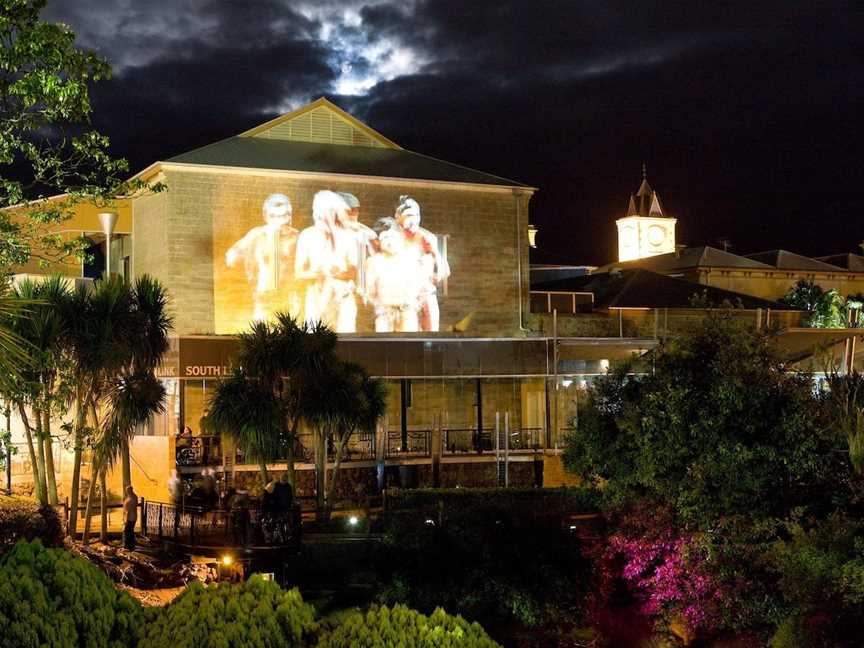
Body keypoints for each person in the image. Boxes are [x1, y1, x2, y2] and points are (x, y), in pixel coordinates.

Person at [226, 193, 299, 321]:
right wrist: (234, 255)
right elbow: (234, 252)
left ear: (289, 216)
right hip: (264, 294)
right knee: (262, 334)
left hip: (288, 295)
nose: (278, 220)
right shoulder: (257, 234)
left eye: (282, 216)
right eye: (273, 216)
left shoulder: (296, 236)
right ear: (266, 216)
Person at [295, 190, 359, 332]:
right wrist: (318, 273)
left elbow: (354, 270)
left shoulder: (348, 236)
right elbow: (298, 273)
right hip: (317, 295)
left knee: (345, 337)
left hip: (342, 295)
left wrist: (338, 274)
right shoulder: (307, 235)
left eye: (331, 210)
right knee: (315, 338)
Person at [393, 196, 450, 332]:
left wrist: (434, 253)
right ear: (397, 217)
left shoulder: (428, 237)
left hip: (427, 294)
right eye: (408, 215)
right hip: (401, 298)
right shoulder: (390, 237)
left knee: (431, 337)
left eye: (416, 215)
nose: (413, 220)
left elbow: (443, 272)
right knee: (405, 339)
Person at [365, 219, 422, 332]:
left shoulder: (410, 260)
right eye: (385, 238)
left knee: (409, 345)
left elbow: (418, 285)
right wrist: (378, 304)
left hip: (407, 311)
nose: (389, 242)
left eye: (393, 238)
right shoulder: (374, 262)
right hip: (384, 313)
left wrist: (413, 303)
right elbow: (369, 288)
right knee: (384, 345)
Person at [122, 485, 138, 550]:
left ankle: (127, 546)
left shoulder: (130, 499)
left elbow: (128, 511)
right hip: (134, 516)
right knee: (131, 531)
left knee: (126, 531)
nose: (126, 492)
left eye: (127, 491)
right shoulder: (134, 496)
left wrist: (125, 520)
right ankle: (132, 545)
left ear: (129, 491)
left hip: (130, 517)